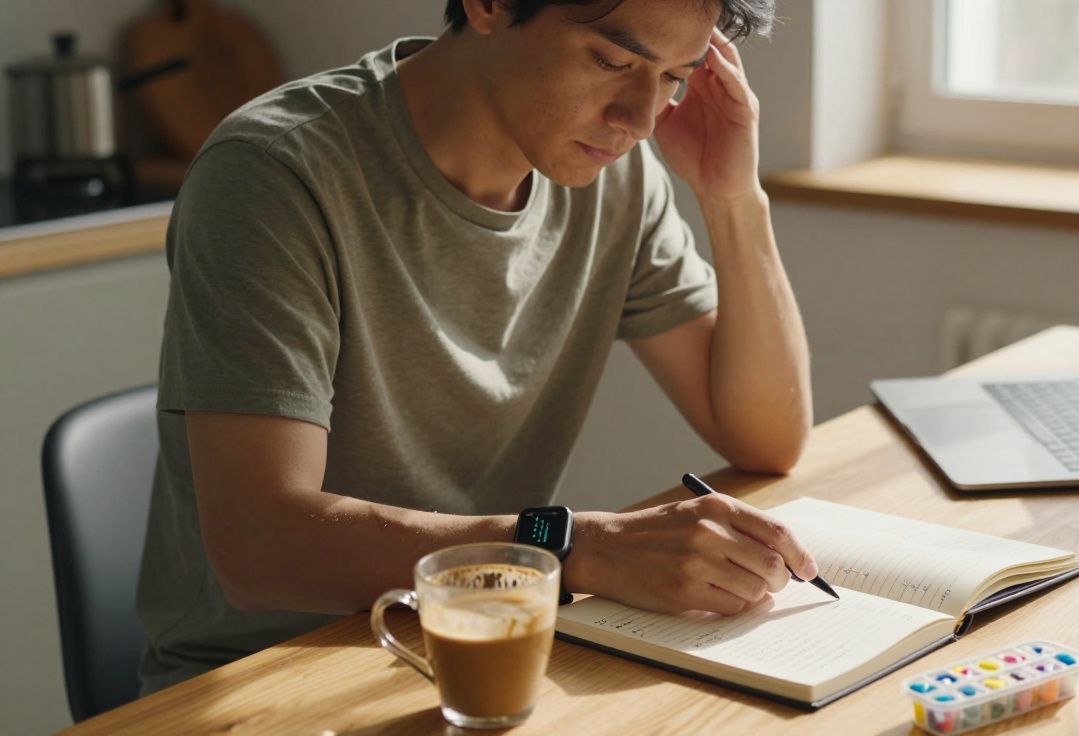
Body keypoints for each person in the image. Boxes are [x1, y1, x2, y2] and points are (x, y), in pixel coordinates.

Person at [137, 0, 815, 694]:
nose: (640, 120)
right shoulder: (274, 173)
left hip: (480, 642)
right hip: (268, 677)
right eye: (612, 61)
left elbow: (767, 437)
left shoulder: (614, 174)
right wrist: (577, 548)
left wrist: (734, 199)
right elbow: (260, 548)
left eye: (675, 77)